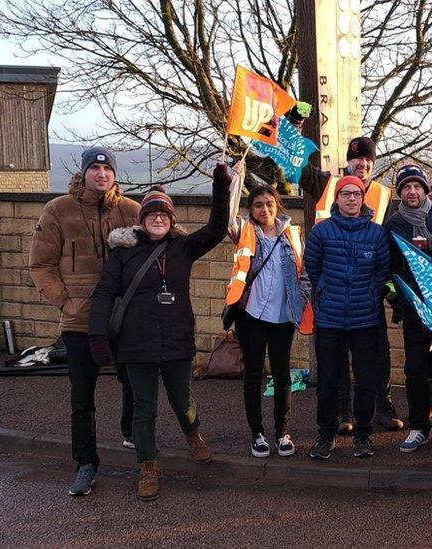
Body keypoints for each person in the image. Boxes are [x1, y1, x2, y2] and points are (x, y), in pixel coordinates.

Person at [88, 166, 231, 501]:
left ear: (171, 219)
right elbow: (105, 293)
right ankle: (147, 466)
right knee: (144, 407)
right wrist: (97, 335)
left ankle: (193, 434)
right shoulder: (123, 253)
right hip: (136, 344)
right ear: (142, 219)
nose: (157, 219)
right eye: (151, 213)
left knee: (183, 400)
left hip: (177, 339)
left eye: (163, 214)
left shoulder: (183, 248)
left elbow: (216, 228)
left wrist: (220, 188)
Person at [28, 146, 139, 497]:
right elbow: (41, 265)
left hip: (124, 318)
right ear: (84, 172)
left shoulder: (132, 210)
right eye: (95, 168)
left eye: (107, 170)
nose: (101, 174)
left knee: (135, 383)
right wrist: (64, 300)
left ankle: (131, 433)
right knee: (82, 397)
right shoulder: (58, 210)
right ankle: (85, 464)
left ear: (115, 175)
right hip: (79, 320)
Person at [305, 175, 391, 460]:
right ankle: (325, 435)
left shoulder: (377, 234)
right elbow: (313, 270)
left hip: (365, 320)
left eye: (356, 194)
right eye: (346, 194)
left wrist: (369, 295)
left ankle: (363, 435)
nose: (352, 199)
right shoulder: (321, 232)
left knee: (366, 379)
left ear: (363, 198)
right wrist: (326, 294)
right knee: (328, 381)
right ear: (337, 198)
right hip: (329, 320)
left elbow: (382, 273)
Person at [226, 183, 313, 459]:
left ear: (278, 205)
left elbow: (305, 271)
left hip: (282, 315)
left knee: (282, 375)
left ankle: (282, 433)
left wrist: (300, 299)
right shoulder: (244, 232)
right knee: (252, 374)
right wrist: (233, 181)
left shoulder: (293, 235)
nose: (264, 209)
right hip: (250, 314)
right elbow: (225, 217)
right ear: (250, 209)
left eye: (269, 204)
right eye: (258, 205)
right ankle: (257, 434)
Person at [384, 164, 432, 452]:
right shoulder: (393, 224)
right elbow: (390, 268)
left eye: (417, 186)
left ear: (426, 189)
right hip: (415, 309)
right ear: (400, 192)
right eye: (406, 187)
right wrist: (399, 300)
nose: (412, 191)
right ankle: (419, 426)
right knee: (415, 370)